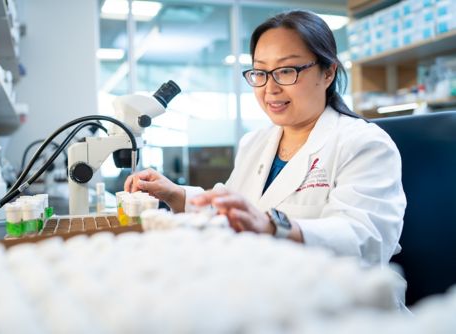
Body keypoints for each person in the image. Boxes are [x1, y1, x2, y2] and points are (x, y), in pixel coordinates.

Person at [125, 10, 406, 269]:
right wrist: (176, 194)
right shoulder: (255, 143)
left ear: (328, 72)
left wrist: (275, 227)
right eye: (260, 72)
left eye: (286, 71)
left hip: (346, 302)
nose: (270, 88)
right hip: (264, 281)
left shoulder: (364, 144)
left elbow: (367, 240)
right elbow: (233, 213)